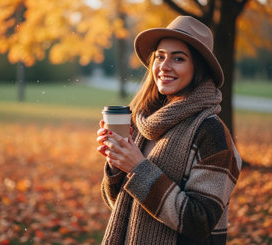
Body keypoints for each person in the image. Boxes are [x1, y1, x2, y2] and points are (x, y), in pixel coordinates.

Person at [96, 16, 242, 244]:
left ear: (198, 68)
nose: (164, 66)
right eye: (160, 56)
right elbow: (123, 206)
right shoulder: (144, 122)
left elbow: (199, 221)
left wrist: (137, 168)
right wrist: (117, 163)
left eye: (178, 58)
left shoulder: (210, 132)